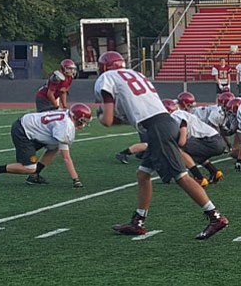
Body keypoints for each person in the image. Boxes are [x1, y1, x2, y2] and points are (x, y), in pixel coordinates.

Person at [94, 51, 227, 240]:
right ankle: (138, 221)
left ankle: (215, 217)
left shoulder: (107, 77)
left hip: (157, 128)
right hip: (163, 123)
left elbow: (107, 120)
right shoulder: (136, 75)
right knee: (143, 174)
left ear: (104, 67)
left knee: (181, 177)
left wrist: (101, 116)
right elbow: (133, 116)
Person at [0, 103, 91, 188]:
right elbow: (66, 158)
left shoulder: (67, 115)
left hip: (31, 128)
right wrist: (76, 179)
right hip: (23, 131)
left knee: (55, 146)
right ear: (75, 117)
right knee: (29, 167)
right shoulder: (65, 125)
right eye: (82, 121)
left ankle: (35, 175)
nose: (83, 124)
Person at [171, 94, 225, 185]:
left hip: (211, 141)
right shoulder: (182, 113)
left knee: (178, 149)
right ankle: (214, 172)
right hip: (216, 140)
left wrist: (177, 144)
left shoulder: (175, 114)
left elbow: (182, 131)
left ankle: (199, 177)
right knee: (194, 153)